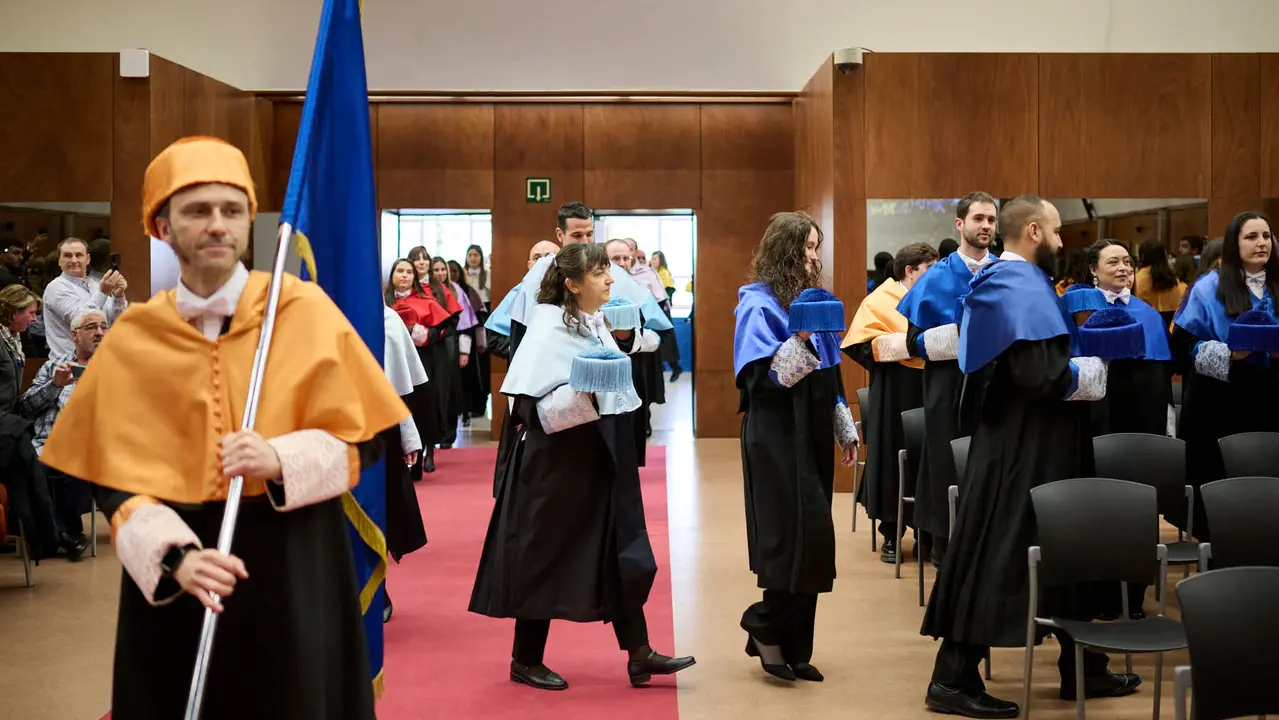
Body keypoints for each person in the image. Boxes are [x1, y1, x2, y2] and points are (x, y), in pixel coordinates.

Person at [39, 136, 409, 719]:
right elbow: (113, 477)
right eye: (197, 210)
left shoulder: (302, 311)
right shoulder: (134, 337)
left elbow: (368, 439)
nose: (218, 225)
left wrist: (281, 459)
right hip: (183, 574)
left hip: (293, 561)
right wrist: (172, 558)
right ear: (162, 226)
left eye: (231, 210)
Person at [921, 195, 1140, 718]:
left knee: (1064, 543)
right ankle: (952, 676)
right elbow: (1039, 374)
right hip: (1023, 449)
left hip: (1033, 442)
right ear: (1036, 232)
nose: (1065, 242)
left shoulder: (1009, 282)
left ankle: (1080, 666)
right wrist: (1091, 371)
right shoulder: (1019, 284)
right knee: (1000, 549)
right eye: (1060, 231)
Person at [469, 242, 695, 691]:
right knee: (542, 554)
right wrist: (584, 393)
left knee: (617, 546)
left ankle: (639, 653)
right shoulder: (548, 327)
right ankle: (524, 658)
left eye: (609, 271)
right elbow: (528, 413)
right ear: (572, 284)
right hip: (552, 465)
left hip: (597, 456)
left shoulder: (593, 322)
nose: (611, 280)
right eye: (599, 274)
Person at [733, 211, 859, 683]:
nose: (813, 258)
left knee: (814, 538)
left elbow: (831, 374)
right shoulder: (757, 305)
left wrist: (843, 426)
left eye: (815, 248)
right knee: (786, 537)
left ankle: (798, 648)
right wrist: (801, 333)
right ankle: (765, 627)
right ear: (785, 252)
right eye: (806, 248)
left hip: (810, 433)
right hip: (774, 436)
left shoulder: (814, 303)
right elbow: (760, 384)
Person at [898, 192, 997, 567]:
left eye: (990, 219)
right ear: (960, 224)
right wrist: (964, 336)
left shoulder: (1005, 274)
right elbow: (912, 343)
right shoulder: (936, 277)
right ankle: (943, 548)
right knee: (944, 465)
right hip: (947, 389)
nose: (985, 226)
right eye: (978, 219)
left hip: (994, 389)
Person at [1171, 211, 1279, 541]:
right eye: (1251, 237)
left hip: (1273, 399)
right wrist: (1232, 354)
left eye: (1266, 236)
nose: (1261, 243)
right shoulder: (1208, 288)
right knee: (1225, 487)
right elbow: (1182, 345)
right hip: (1221, 403)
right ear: (1234, 244)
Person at [842, 242, 936, 563]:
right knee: (894, 457)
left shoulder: (935, 301)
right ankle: (891, 534)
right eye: (928, 270)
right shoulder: (879, 302)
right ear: (910, 271)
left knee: (928, 460)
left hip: (930, 389)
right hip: (894, 391)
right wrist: (904, 346)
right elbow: (859, 348)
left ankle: (928, 532)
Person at [380, 304, 428, 622]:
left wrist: (408, 435)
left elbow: (397, 389)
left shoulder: (386, 318)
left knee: (378, 509)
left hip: (378, 429)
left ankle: (377, 586)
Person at [387, 258, 452, 475]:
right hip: (392, 362)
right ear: (392, 275)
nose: (404, 275)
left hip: (422, 359)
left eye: (408, 272)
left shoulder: (426, 299)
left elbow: (444, 328)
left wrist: (422, 334)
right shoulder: (384, 302)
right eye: (400, 271)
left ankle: (427, 453)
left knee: (423, 407)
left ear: (415, 277)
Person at [41, 236, 128, 357]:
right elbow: (80, 321)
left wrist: (119, 297)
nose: (74, 260)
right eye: (67, 255)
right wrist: (103, 293)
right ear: (59, 261)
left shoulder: (97, 285)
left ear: (88, 259)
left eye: (79, 255)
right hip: (68, 366)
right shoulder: (55, 288)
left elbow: (117, 322)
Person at [1133, 238, 1187, 326]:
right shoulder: (1173, 277)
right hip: (1174, 322)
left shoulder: (1139, 277)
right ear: (1164, 255)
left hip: (1149, 321)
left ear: (1142, 256)